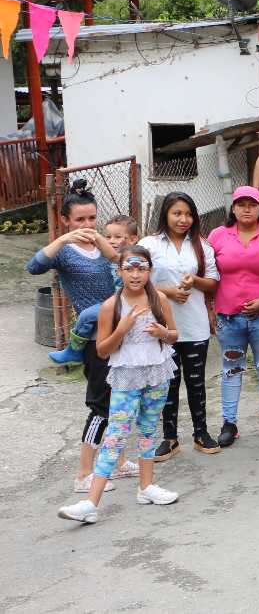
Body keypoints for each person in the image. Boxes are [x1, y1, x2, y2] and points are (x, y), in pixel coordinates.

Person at [57, 246, 181, 525]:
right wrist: (121, 330)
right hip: (126, 375)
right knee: (116, 434)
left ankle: (146, 487)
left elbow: (174, 335)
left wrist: (164, 333)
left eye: (141, 268)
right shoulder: (111, 307)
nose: (136, 274)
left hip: (157, 372)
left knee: (149, 428)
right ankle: (91, 502)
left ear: (150, 271)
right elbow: (102, 350)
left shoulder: (160, 300)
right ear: (120, 271)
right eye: (130, 268)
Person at [29, 183, 128, 493]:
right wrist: (63, 240)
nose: (87, 225)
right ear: (66, 220)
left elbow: (119, 261)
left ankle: (119, 462)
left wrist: (99, 237)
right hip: (93, 339)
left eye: (92, 218)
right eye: (80, 220)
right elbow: (34, 267)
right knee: (100, 405)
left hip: (119, 328)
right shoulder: (64, 252)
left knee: (122, 400)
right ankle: (84, 473)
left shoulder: (101, 245)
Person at [140, 192, 220, 461]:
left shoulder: (201, 244)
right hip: (162, 327)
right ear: (165, 214)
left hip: (195, 326)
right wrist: (168, 292)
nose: (183, 219)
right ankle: (170, 438)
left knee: (196, 383)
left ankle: (201, 433)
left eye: (188, 214)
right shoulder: (149, 245)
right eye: (177, 213)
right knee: (168, 384)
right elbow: (138, 281)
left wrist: (194, 281)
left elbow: (213, 282)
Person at [207, 187, 259, 447]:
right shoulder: (218, 236)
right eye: (240, 204)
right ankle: (229, 422)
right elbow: (210, 275)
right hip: (229, 315)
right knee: (231, 369)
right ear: (232, 208)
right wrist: (211, 309)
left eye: (252, 204)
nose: (246, 209)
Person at [47, 215, 136, 366]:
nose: (111, 240)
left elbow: (114, 257)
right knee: (89, 316)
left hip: (126, 303)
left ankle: (74, 351)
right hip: (113, 301)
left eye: (117, 237)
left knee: (87, 315)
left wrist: (98, 239)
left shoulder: (131, 256)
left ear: (132, 239)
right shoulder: (107, 256)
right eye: (108, 236)